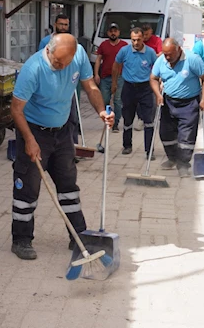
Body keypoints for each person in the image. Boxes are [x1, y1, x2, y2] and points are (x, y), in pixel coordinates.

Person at [10, 34, 113, 260]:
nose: (61, 67)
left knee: (68, 185)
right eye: (57, 62)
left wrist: (102, 111)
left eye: (66, 64)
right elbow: (16, 109)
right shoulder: (33, 69)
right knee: (28, 188)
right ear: (48, 50)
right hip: (34, 130)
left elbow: (90, 86)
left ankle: (78, 236)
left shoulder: (78, 57)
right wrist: (29, 140)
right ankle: (21, 240)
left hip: (63, 131)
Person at [150, 38, 204, 177]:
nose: (168, 57)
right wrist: (158, 94)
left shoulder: (192, 59)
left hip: (189, 103)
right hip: (168, 102)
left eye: (170, 54)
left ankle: (183, 163)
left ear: (179, 50)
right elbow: (153, 78)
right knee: (165, 133)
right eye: (165, 54)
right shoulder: (161, 61)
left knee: (186, 135)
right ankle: (172, 158)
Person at [38, 14, 82, 147]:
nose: (63, 27)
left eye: (66, 24)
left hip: (68, 86)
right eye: (61, 24)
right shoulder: (45, 42)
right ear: (55, 24)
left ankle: (72, 147)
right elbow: (40, 64)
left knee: (72, 118)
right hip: (51, 86)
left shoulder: (72, 42)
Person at [114, 27, 158, 156]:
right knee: (128, 119)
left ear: (143, 38)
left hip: (145, 89)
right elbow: (116, 65)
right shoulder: (124, 51)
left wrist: (158, 84)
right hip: (128, 87)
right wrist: (114, 83)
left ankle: (149, 150)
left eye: (138, 40)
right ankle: (127, 146)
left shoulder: (150, 52)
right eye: (133, 40)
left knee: (148, 120)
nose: (136, 43)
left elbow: (157, 68)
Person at [94, 23, 128, 133]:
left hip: (120, 77)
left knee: (118, 101)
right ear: (108, 32)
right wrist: (96, 74)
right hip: (105, 77)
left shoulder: (124, 45)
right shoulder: (103, 45)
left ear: (119, 32)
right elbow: (98, 60)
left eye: (115, 31)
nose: (113, 33)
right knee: (104, 100)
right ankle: (108, 119)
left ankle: (116, 123)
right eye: (111, 31)